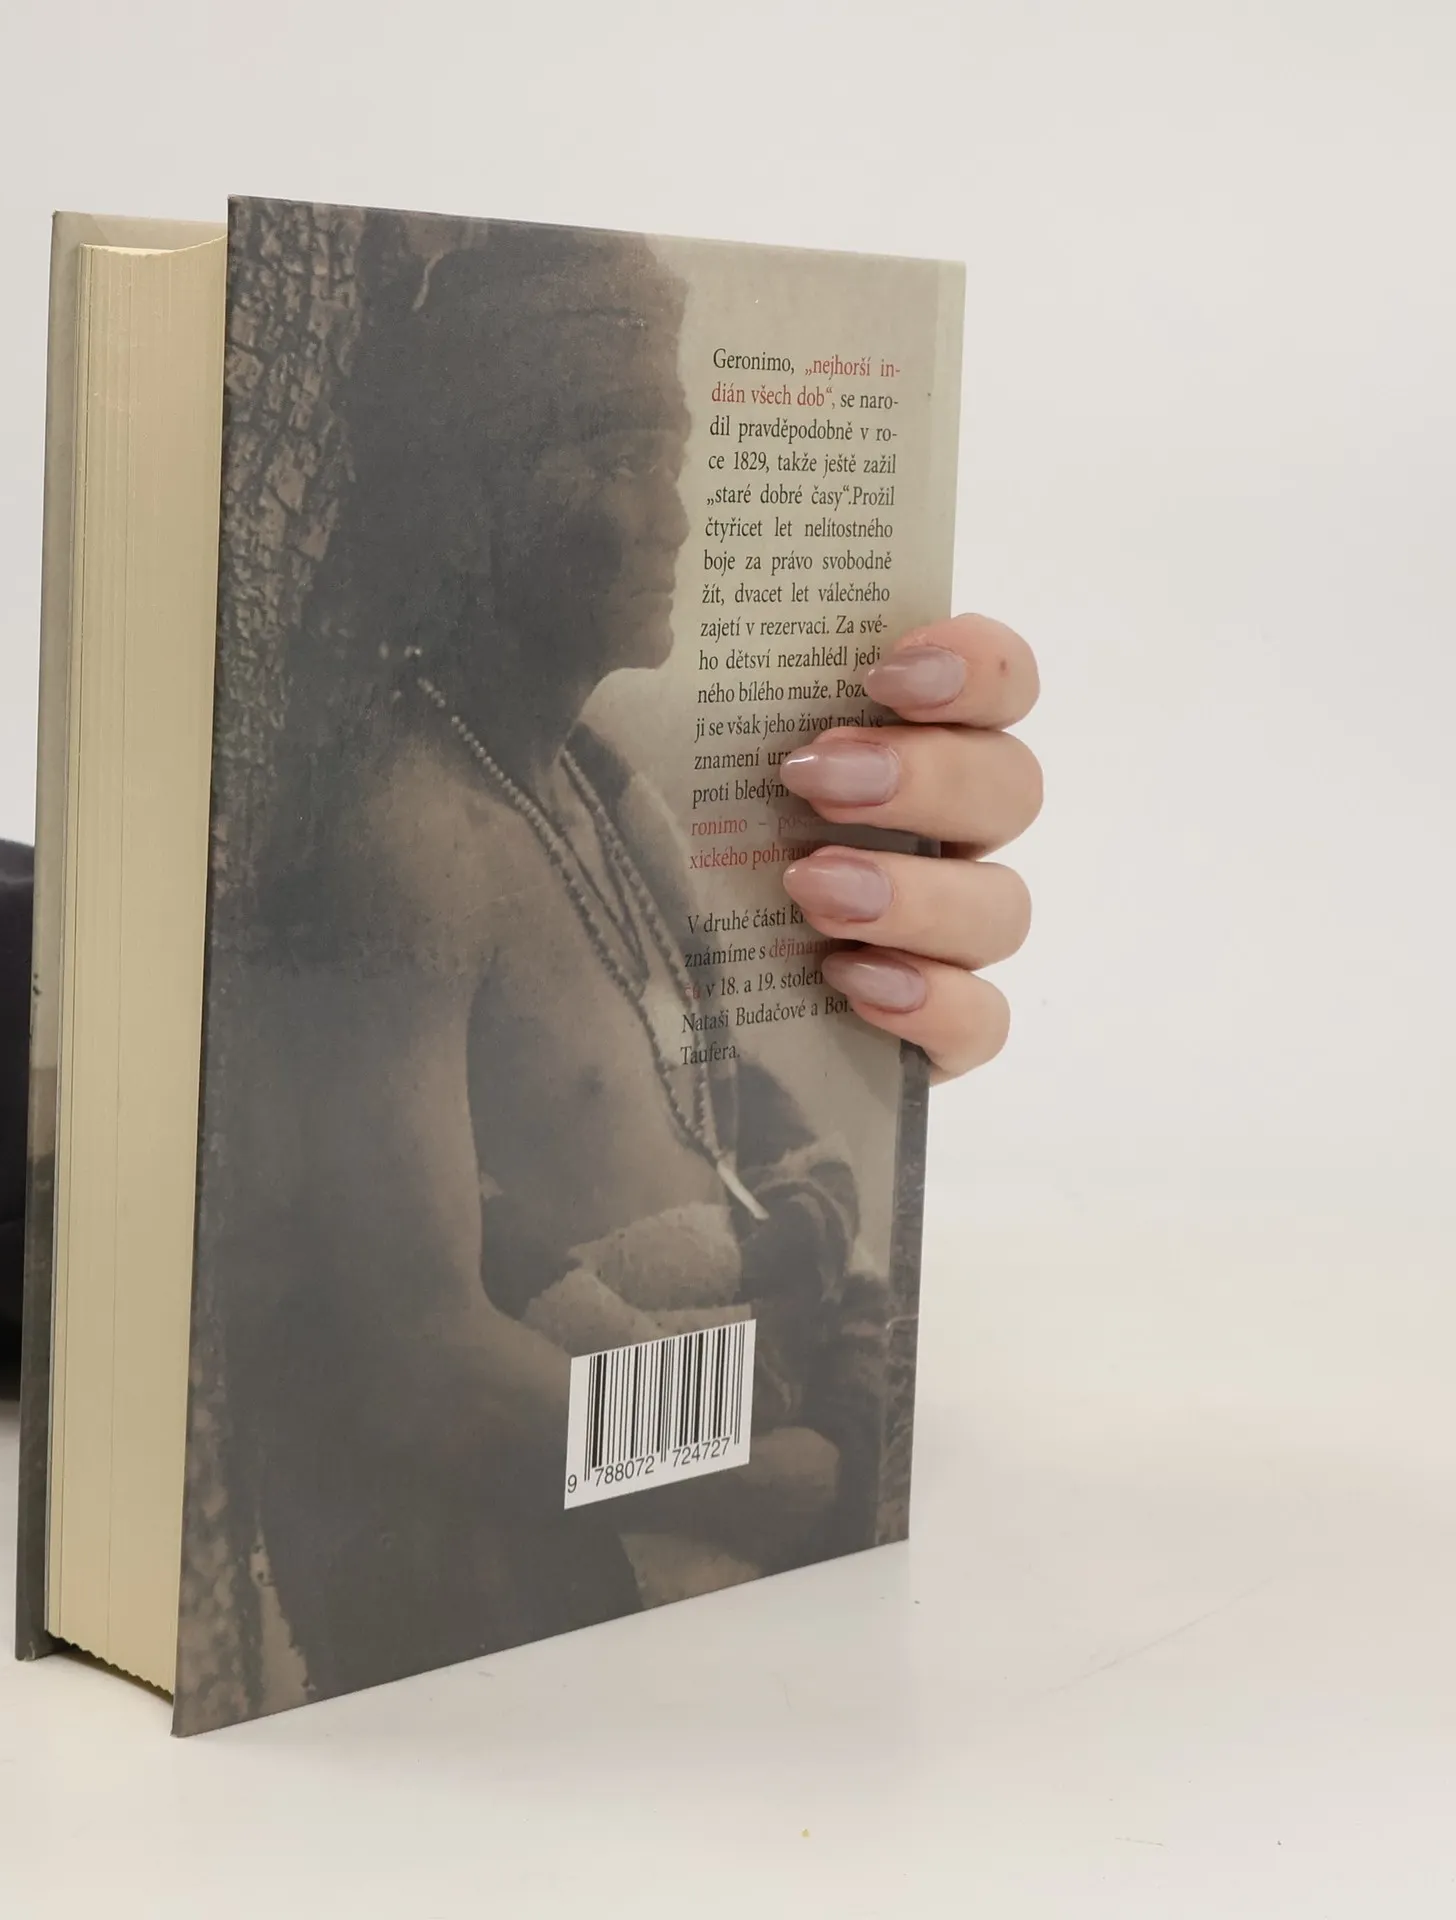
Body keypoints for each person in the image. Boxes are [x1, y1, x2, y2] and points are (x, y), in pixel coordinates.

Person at [192, 225, 1043, 1705]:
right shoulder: (411, 834)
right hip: (536, 1619)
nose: (674, 517)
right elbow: (422, 1362)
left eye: (679, 455)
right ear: (477, 491)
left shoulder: (598, 793)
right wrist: (750, 1475)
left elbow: (729, 1120)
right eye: (620, 455)